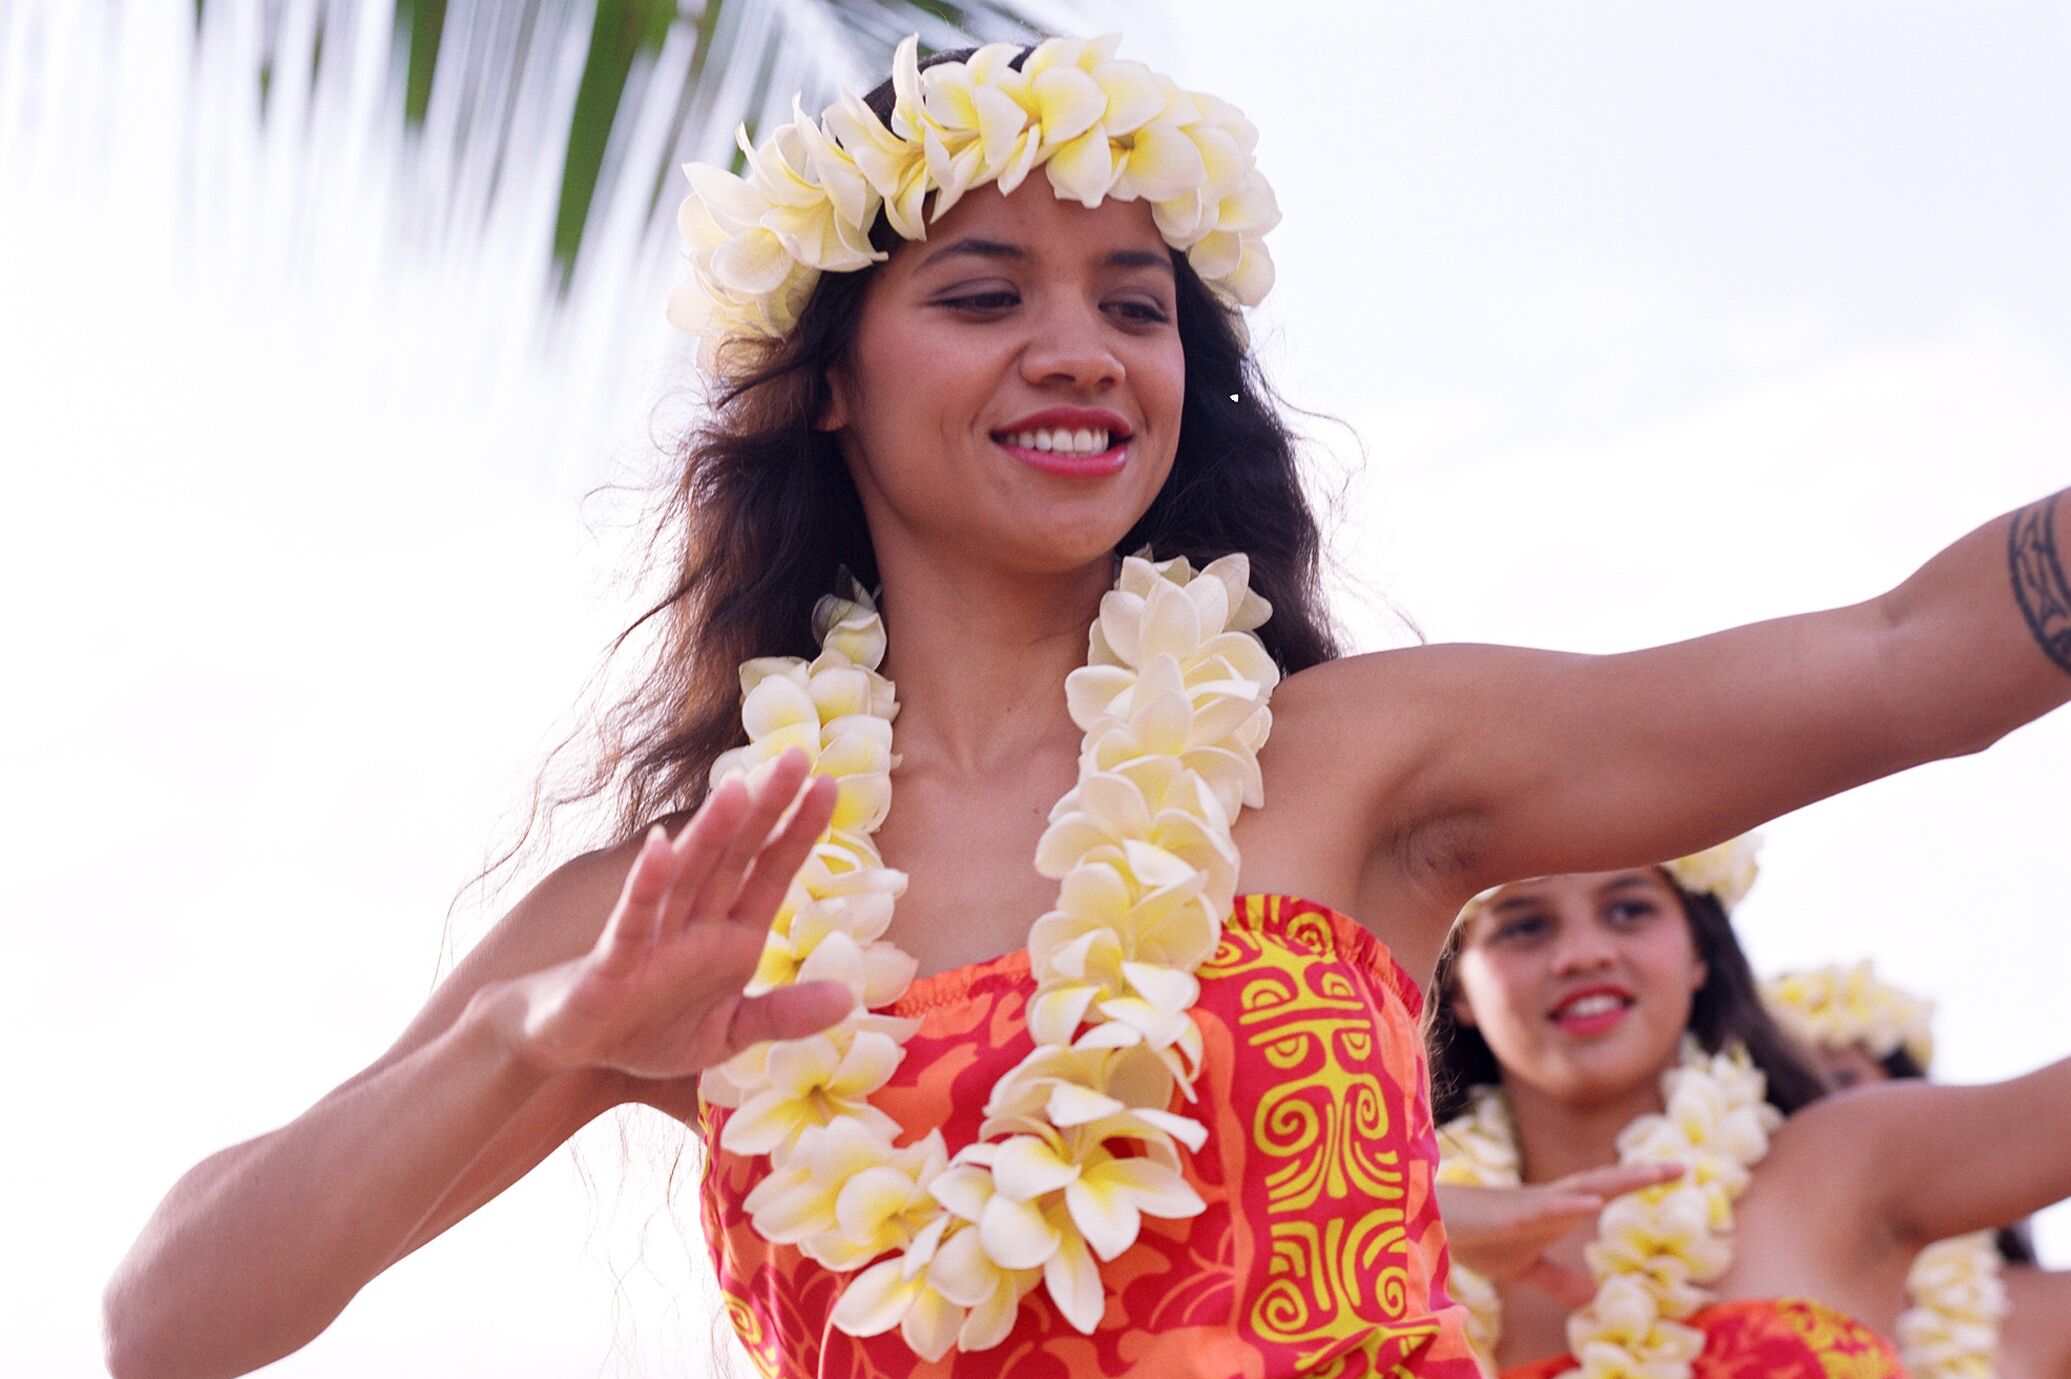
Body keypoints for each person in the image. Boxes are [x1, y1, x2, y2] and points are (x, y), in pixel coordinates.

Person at [103, 31, 2071, 1379]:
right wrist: (531, 1037)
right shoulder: (680, 913)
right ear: (831, 381)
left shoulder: (1357, 760)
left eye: (1135, 297)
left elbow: (1908, 663)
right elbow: (171, 1315)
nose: (1082, 346)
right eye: (984, 290)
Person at [1428, 843, 2071, 1379]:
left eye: (1629, 910)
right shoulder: (1395, 1236)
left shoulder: (1851, 1165)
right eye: (1524, 925)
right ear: (1457, 988)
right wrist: (1426, 1215)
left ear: (1700, 957)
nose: (1583, 954)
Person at [1766, 961, 2071, 1379]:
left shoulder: (2050, 1310)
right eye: (1787, 1087)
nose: (1819, 1105)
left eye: (1842, 1079)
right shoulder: (1710, 1291)